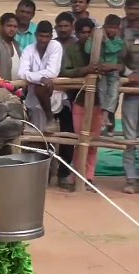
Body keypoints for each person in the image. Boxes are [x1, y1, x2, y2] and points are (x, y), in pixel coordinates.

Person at [60, 17, 101, 191]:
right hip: (79, 99)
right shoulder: (71, 49)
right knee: (79, 139)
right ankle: (77, 174)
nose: (85, 35)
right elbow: (65, 71)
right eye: (82, 32)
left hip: (99, 101)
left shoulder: (100, 49)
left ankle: (89, 177)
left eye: (88, 32)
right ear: (76, 34)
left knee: (93, 142)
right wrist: (85, 70)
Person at [18, 21, 64, 132]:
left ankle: (50, 119)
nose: (43, 40)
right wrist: (40, 78)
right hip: (33, 97)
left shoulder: (56, 46)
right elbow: (21, 73)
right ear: (35, 35)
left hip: (51, 94)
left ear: (51, 37)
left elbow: (52, 72)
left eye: (46, 37)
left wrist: (33, 77)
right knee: (35, 134)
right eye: (40, 36)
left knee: (52, 137)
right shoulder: (28, 49)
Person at [86, 14, 123, 136]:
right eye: (109, 27)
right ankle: (104, 115)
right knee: (102, 89)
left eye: (114, 28)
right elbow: (87, 50)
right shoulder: (98, 36)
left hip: (112, 71)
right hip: (100, 71)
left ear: (118, 28)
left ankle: (106, 115)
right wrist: (93, 39)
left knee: (113, 91)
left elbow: (112, 50)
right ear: (104, 27)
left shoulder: (118, 40)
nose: (111, 30)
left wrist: (105, 40)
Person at [53, 11, 77, 189]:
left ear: (72, 27)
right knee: (43, 134)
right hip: (48, 96)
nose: (63, 29)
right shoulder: (50, 45)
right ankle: (44, 173)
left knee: (68, 135)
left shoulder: (78, 46)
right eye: (60, 26)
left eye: (66, 26)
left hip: (71, 98)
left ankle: (63, 173)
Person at [120, 0, 139, 193]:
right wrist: (128, 74)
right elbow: (116, 57)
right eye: (130, 7)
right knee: (129, 135)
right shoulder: (120, 27)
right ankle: (131, 178)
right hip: (131, 88)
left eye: (136, 7)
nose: (132, 11)